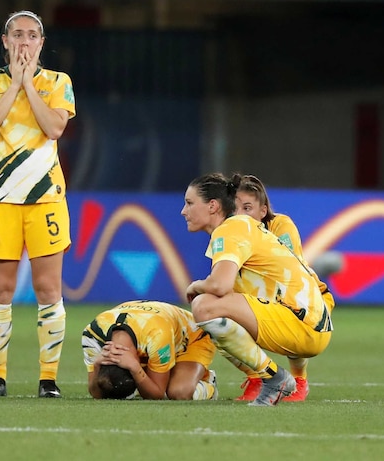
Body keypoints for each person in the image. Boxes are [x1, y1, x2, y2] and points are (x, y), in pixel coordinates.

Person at [0, 10, 76, 399]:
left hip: (45, 199)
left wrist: (28, 84)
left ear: (42, 43)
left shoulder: (57, 83)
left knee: (48, 289)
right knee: (0, 290)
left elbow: (54, 127)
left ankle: (48, 379)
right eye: (17, 35)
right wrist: (13, 85)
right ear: (5, 40)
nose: (24, 42)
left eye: (32, 35)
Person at [182, 172, 333, 406]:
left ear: (212, 206)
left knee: (205, 305)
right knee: (212, 312)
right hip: (310, 323)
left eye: (190, 203)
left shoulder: (231, 229)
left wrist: (195, 286)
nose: (184, 211)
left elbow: (220, 285)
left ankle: (274, 378)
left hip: (304, 323)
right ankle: (265, 378)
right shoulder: (240, 227)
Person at [230, 174, 335, 402]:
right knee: (217, 316)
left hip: (308, 300)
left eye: (247, 208)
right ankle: (258, 378)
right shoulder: (231, 234)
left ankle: (299, 381)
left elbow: (290, 274)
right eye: (235, 208)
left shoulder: (280, 225)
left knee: (288, 308)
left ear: (263, 210)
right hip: (263, 297)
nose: (240, 215)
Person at [81, 300, 219, 400]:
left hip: (192, 337)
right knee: (120, 387)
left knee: (179, 393)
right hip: (152, 333)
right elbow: (97, 393)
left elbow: (157, 394)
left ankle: (209, 384)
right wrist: (96, 366)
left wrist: (136, 369)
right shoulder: (92, 337)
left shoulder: (157, 335)